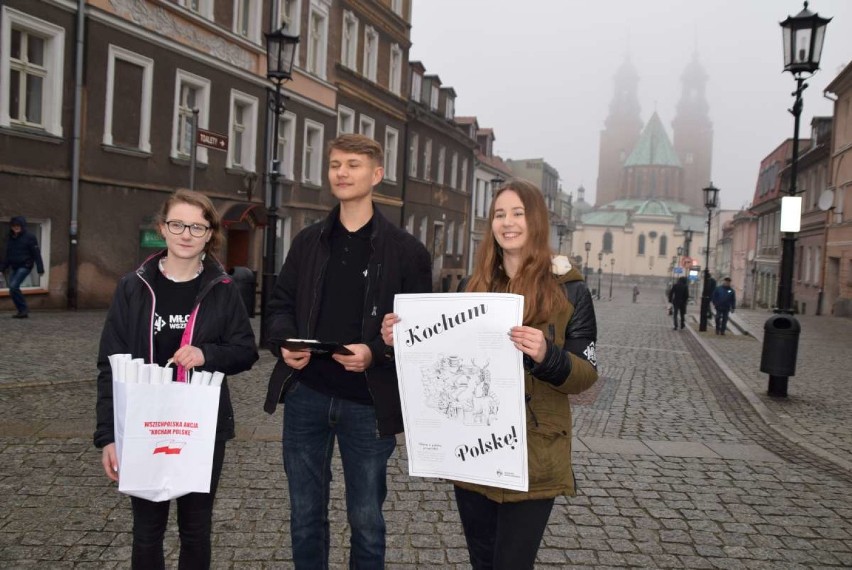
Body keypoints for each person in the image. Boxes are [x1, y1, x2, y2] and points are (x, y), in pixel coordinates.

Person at [382, 179, 599, 569]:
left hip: (535, 453)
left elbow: (586, 374)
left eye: (518, 213)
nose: (508, 222)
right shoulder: (472, 287)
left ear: (536, 222)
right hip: (475, 451)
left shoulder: (570, 291)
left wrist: (547, 355)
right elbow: (446, 357)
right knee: (482, 561)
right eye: (500, 214)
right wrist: (405, 338)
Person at [263, 133, 432, 568]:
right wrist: (285, 343)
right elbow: (278, 305)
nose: (341, 172)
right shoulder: (308, 241)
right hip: (307, 395)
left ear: (376, 175)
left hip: (368, 403)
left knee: (367, 520)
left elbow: (421, 332)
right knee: (304, 516)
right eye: (336, 164)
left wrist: (374, 353)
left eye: (353, 164)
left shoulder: (408, 252)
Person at [93, 190, 258, 569]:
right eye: (177, 224)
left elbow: (245, 350)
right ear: (162, 229)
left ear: (209, 234)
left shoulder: (223, 290)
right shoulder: (133, 287)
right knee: (147, 531)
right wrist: (108, 436)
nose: (186, 234)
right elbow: (109, 364)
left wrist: (207, 354)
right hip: (143, 423)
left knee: (196, 529)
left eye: (197, 227)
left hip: (200, 426)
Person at [1, 216, 45, 318]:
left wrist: (40, 268)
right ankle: (21, 311)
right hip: (14, 266)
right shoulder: (10, 238)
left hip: (25, 266)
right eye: (14, 226)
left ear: (22, 226)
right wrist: (2, 268)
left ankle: (24, 309)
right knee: (12, 290)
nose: (16, 228)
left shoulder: (30, 237)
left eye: (18, 226)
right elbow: (8, 255)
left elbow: (36, 253)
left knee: (13, 286)